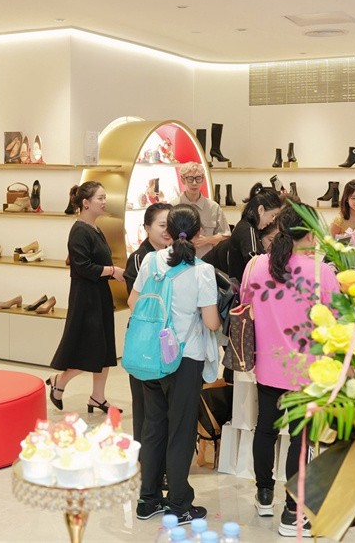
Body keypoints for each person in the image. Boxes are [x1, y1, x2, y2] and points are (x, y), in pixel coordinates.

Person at [247, 204, 340, 536]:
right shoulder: (321, 273)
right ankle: (292, 512)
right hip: (307, 372)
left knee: (265, 430)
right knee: (301, 439)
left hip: (267, 365)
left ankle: (263, 495)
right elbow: (338, 321)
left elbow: (245, 304)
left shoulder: (256, 266)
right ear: (311, 234)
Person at [127, 204, 220, 525]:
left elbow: (133, 302)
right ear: (198, 233)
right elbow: (211, 322)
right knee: (180, 432)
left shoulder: (151, 260)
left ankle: (147, 499)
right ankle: (179, 504)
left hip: (150, 355)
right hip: (184, 358)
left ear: (168, 231)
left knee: (152, 427)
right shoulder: (202, 270)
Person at [48, 182, 126, 413]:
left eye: (104, 197)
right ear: (85, 203)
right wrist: (112, 271)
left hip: (99, 294)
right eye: (100, 198)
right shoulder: (80, 230)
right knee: (91, 350)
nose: (104, 201)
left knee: (104, 349)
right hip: (86, 298)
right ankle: (59, 381)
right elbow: (83, 266)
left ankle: (97, 397)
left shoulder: (94, 228)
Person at [123, 202, 172, 447]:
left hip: (166, 340)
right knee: (144, 403)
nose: (167, 231)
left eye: (170, 225)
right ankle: (143, 454)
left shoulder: (173, 256)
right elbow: (136, 302)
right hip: (145, 339)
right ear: (147, 227)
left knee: (163, 403)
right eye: (162, 225)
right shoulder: (139, 258)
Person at [205, 186, 284, 280]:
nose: (272, 220)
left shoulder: (246, 227)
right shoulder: (247, 229)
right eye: (272, 215)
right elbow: (254, 262)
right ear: (261, 210)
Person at [171, 162, 229, 258]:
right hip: (179, 260)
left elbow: (225, 235)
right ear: (182, 180)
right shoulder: (173, 206)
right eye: (190, 179)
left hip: (207, 260)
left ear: (203, 179)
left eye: (198, 178)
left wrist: (207, 240)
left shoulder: (213, 207)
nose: (194, 183)